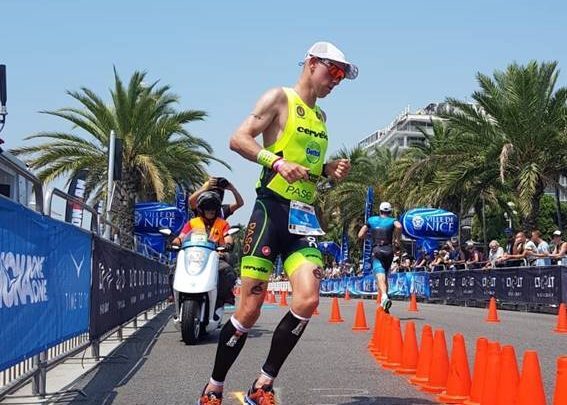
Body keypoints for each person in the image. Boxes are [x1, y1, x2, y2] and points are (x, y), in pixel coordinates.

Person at [197, 41, 356, 405]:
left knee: (308, 299)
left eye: (342, 77)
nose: (336, 81)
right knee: (249, 309)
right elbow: (238, 139)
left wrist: (328, 170)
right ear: (312, 63)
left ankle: (263, 384)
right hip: (271, 211)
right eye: (333, 72)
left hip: (303, 218)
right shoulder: (280, 98)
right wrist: (276, 162)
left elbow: (308, 170)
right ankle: (214, 386)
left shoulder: (321, 119)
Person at [173, 191, 237, 306]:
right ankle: (174, 296)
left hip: (216, 257)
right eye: (207, 207)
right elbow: (181, 237)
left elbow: (228, 237)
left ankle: (222, 297)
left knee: (228, 272)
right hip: (193, 257)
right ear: (201, 209)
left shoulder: (223, 223)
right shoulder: (192, 223)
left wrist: (228, 244)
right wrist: (175, 242)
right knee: (174, 269)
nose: (211, 210)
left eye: (213, 207)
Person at [357, 201, 402, 313]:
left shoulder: (371, 220)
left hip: (376, 250)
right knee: (385, 276)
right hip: (389, 250)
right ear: (390, 211)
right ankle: (384, 302)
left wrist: (370, 237)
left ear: (380, 211)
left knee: (380, 275)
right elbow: (399, 226)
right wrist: (397, 238)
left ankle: (384, 297)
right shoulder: (392, 220)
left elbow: (360, 235)